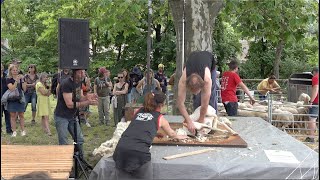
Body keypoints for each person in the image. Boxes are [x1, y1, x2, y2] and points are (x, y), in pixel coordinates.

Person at [113, 92, 188, 179]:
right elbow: (171, 134)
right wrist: (178, 136)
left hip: (121, 149)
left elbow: (140, 125)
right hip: (139, 153)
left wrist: (154, 132)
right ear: (162, 105)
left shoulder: (137, 111)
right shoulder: (160, 118)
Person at [54, 69, 98, 154]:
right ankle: (65, 164)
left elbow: (79, 97)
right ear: (74, 73)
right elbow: (70, 104)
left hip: (72, 116)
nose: (83, 74)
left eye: (84, 72)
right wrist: (87, 102)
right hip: (62, 116)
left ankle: (81, 161)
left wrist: (88, 97)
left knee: (79, 139)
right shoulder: (66, 84)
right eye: (80, 72)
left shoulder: (79, 82)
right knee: (64, 142)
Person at [177, 51, 217, 134]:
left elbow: (204, 104)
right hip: (193, 58)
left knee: (209, 99)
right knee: (197, 99)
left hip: (209, 63)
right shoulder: (183, 81)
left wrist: (201, 120)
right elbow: (180, 103)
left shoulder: (207, 80)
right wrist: (189, 121)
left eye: (197, 91)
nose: (195, 93)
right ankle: (195, 118)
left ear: (202, 86)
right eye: (192, 91)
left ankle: (211, 123)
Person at [6, 64, 27, 137]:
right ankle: (14, 131)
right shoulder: (8, 79)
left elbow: (24, 89)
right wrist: (16, 81)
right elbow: (11, 88)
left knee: (21, 115)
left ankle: (23, 130)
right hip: (12, 99)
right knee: (13, 116)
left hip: (20, 99)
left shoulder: (21, 78)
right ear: (10, 71)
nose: (15, 71)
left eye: (16, 70)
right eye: (13, 70)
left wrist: (23, 80)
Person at [305, 67, 319, 143]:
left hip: (316, 101)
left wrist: (311, 101)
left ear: (315, 72)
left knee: (312, 119)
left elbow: (316, 89)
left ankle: (311, 137)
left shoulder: (316, 77)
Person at [1, 63, 12, 134]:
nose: (1, 69)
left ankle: (9, 130)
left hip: (6, 98)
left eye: (2, 67)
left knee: (8, 114)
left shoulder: (6, 76)